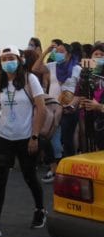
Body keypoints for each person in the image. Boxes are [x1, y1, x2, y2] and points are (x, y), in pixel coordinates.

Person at [0, 46, 47, 237]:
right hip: (3, 137)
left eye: (11, 58)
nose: (8, 62)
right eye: (4, 59)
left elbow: (41, 109)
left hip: (25, 138)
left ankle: (40, 209)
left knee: (30, 176)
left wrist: (34, 136)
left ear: (19, 59)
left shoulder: (30, 79)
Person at [33, 42, 81, 183]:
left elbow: (81, 90)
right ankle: (54, 168)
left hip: (69, 109)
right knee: (48, 139)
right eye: (56, 51)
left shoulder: (77, 69)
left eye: (61, 51)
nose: (57, 53)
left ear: (69, 54)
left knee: (66, 140)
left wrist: (72, 105)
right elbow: (35, 68)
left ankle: (70, 170)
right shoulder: (52, 66)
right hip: (53, 110)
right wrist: (46, 51)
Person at [78, 44, 104, 151]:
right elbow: (80, 94)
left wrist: (99, 107)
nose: (98, 57)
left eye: (102, 54)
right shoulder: (86, 75)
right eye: (96, 54)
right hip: (92, 122)